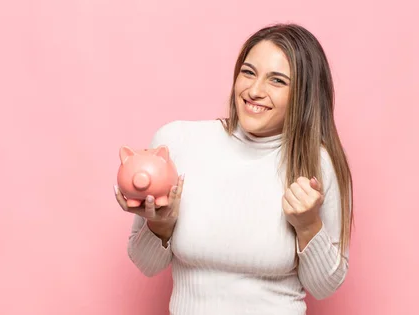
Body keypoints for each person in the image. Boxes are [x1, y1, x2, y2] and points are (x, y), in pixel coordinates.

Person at [114, 23, 354, 314]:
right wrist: (160, 225)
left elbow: (324, 286)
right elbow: (146, 264)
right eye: (248, 72)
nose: (254, 90)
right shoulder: (176, 142)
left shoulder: (317, 163)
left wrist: (308, 226)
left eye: (277, 81)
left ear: (304, 95)